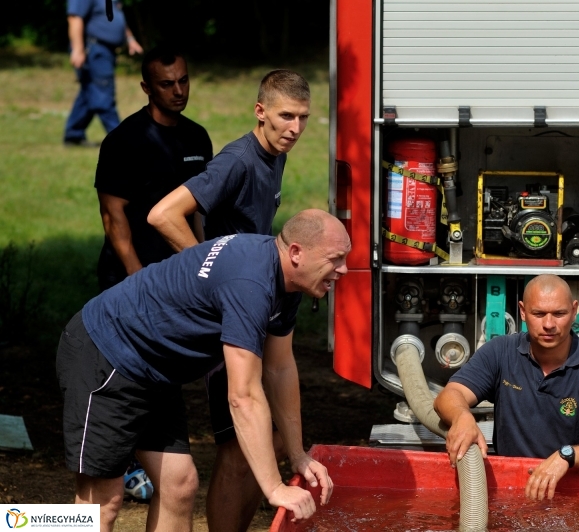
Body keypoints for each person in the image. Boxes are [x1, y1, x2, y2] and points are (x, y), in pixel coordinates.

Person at [56, 209, 345, 532]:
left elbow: (279, 369)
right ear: (296, 253)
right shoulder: (249, 283)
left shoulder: (288, 281)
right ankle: (17, 524)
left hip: (155, 369)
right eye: (336, 259)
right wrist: (274, 488)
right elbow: (243, 397)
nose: (343, 269)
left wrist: (297, 454)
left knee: (179, 485)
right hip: (107, 353)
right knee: (101, 504)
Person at [148, 69, 311, 532]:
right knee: (237, 448)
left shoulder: (275, 154)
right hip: (230, 315)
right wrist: (210, 273)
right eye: (285, 116)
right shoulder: (238, 161)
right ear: (260, 112)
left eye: (302, 118)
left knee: (267, 443)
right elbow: (163, 214)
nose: (294, 128)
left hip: (253, 306)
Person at [433, 274, 579, 502]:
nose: (549, 324)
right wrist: (462, 417)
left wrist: (567, 456)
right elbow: (449, 395)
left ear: (573, 312)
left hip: (571, 496)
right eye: (539, 314)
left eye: (559, 314)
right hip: (508, 493)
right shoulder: (501, 352)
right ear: (522, 312)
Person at [95, 46, 212, 291]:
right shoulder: (123, 141)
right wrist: (136, 277)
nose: (179, 91)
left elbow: (198, 209)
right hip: (131, 278)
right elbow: (112, 214)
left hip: (183, 273)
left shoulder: (197, 137)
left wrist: (202, 262)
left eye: (183, 80)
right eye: (167, 84)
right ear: (146, 88)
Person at [64, 0, 143, 146]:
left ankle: (73, 135)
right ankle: (122, 140)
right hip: (93, 49)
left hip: (106, 50)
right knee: (103, 93)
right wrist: (78, 49)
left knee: (89, 92)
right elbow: (75, 18)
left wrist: (130, 39)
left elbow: (118, 18)